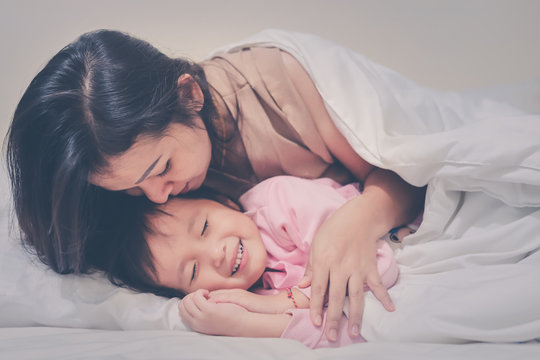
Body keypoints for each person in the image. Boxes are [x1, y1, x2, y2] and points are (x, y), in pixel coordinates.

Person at [5, 29, 425, 341]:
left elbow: (410, 170)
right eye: (132, 189)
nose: (158, 194)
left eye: (162, 166)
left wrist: (355, 220)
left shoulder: (280, 86)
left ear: (189, 96)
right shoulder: (150, 210)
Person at [98, 175, 412, 348]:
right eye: (193, 271)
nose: (215, 254)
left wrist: (276, 308)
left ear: (220, 201)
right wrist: (242, 324)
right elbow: (340, 336)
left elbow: (380, 266)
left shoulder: (281, 202)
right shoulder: (248, 294)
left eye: (205, 227)